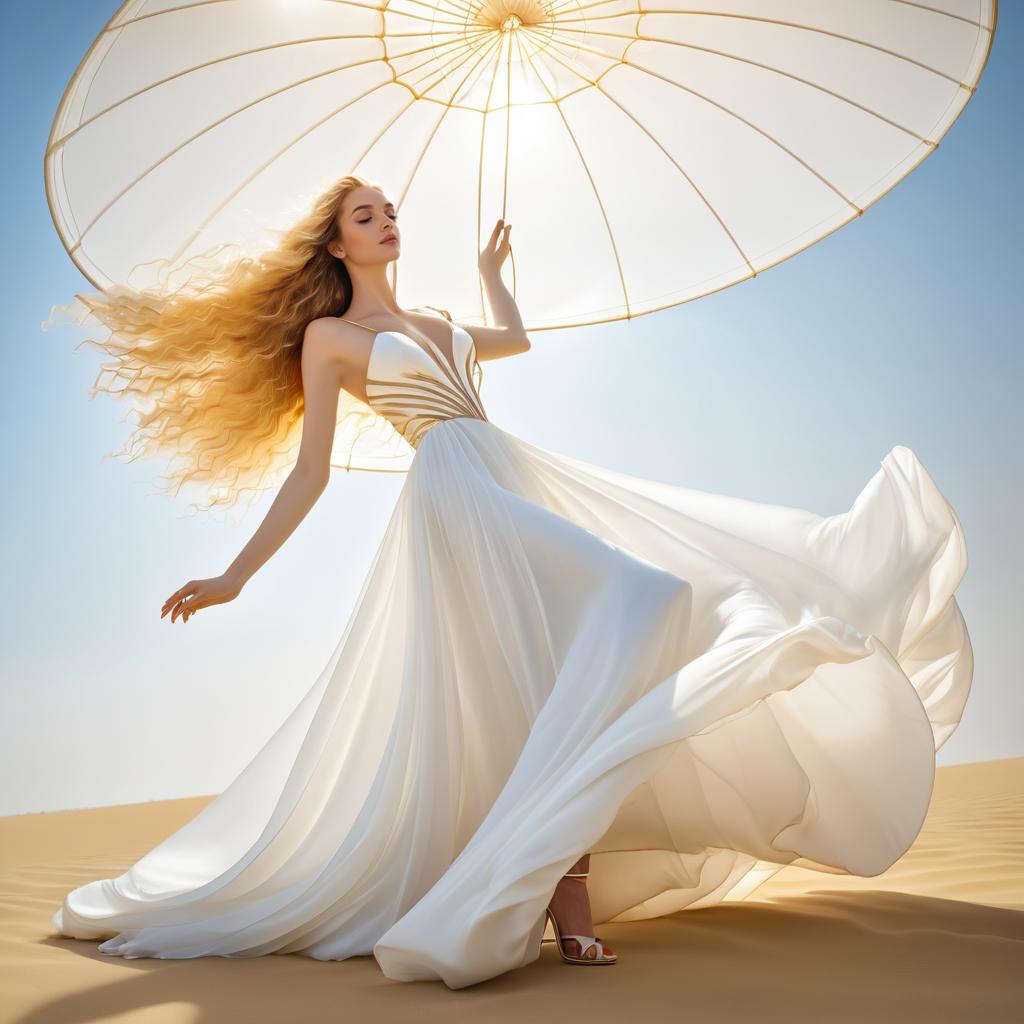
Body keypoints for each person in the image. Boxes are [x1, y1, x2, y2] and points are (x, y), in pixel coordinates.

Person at [47, 174, 972, 990]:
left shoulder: (440, 321)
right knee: (638, 602)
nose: (386, 222)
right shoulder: (330, 336)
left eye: (391, 211)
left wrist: (494, 277)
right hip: (453, 497)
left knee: (572, 663)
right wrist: (235, 574)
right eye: (367, 216)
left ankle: (559, 895)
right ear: (336, 243)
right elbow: (311, 471)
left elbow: (515, 342)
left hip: (508, 471)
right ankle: (559, 900)